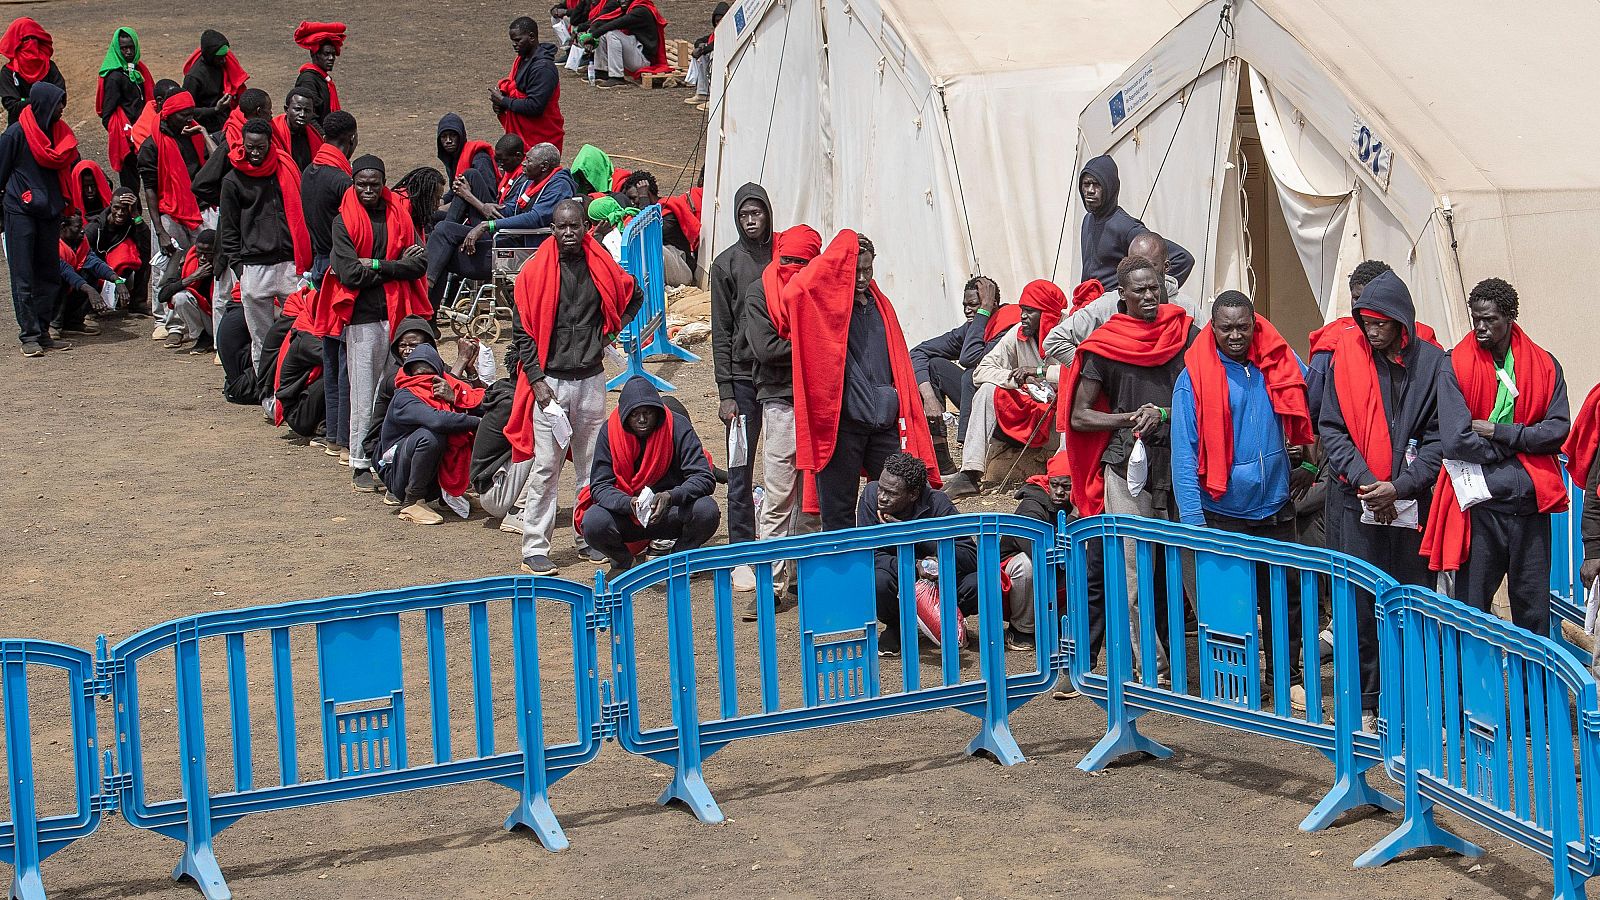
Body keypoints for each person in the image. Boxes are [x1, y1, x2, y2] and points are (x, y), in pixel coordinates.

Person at [1170, 291, 1317, 709]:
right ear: (1212, 327)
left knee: (1285, 599)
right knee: (1229, 601)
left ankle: (1286, 679)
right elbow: (1185, 453)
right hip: (1222, 508)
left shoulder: (1276, 363)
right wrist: (1194, 521)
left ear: (1255, 324)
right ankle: (1234, 683)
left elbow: (1309, 400)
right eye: (1226, 327)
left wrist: (1310, 465)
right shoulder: (1193, 379)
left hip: (1275, 502)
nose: (1235, 335)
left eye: (1243, 326)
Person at [1317, 270, 1446, 726]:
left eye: (1380, 323)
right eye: (1365, 322)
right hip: (1359, 503)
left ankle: (1414, 705)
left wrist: (1402, 486)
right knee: (1359, 607)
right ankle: (1367, 705)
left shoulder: (1432, 364)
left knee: (1412, 605)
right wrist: (1369, 482)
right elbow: (1332, 430)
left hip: (1412, 506)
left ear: (1401, 322)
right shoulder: (1343, 361)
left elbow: (1438, 438)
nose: (1371, 331)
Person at [1060, 254, 1197, 672]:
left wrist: (1166, 414)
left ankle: (1210, 662)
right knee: (1135, 573)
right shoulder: (1106, 343)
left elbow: (1207, 389)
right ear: (1123, 294)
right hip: (1126, 467)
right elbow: (1079, 416)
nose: (1151, 295)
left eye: (1155, 287)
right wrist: (1132, 415)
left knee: (1190, 567)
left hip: (1182, 464)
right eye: (1141, 290)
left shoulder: (1184, 332)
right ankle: (1148, 665)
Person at [1424, 277, 1570, 636]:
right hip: (1482, 505)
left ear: (1510, 317)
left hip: (1531, 505)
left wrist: (1499, 432)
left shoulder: (1546, 365)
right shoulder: (1454, 364)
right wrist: (1524, 441)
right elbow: (1457, 440)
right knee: (1472, 606)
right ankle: (1469, 690)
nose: (1480, 328)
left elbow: (1558, 430)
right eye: (1475, 319)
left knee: (1533, 608)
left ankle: (1530, 690)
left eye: (1489, 320)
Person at [506, 198, 644, 575]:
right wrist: (536, 381)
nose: (568, 232)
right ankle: (535, 546)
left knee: (591, 466)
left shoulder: (601, 265)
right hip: (550, 383)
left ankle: (588, 537)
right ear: (552, 228)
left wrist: (610, 331)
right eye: (561, 226)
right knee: (547, 467)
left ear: (586, 227)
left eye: (575, 226)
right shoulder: (533, 272)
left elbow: (634, 294)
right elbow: (523, 334)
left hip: (591, 380)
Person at [783, 230, 942, 530]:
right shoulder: (824, 304)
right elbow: (793, 292)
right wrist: (833, 259)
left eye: (867, 269)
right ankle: (849, 572)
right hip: (842, 425)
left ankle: (892, 567)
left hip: (884, 422)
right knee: (839, 511)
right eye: (854, 270)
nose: (862, 277)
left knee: (902, 499)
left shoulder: (880, 304)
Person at [310, 154, 432, 491]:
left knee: (395, 389)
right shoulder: (343, 222)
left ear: (382, 183)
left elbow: (419, 266)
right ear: (353, 183)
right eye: (361, 184)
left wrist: (375, 264)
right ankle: (360, 462)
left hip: (398, 315)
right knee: (364, 392)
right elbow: (349, 274)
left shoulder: (399, 215)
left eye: (373, 184)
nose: (367, 189)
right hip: (362, 319)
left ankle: (388, 456)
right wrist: (395, 265)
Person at [742, 224, 822, 615]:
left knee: (812, 500)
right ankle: (771, 585)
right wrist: (814, 345)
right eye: (787, 260)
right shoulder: (760, 292)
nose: (792, 268)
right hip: (780, 402)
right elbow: (766, 348)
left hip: (818, 404)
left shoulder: (819, 290)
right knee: (777, 499)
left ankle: (805, 581)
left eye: (802, 263)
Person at [579, 377, 720, 574]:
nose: (642, 420)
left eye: (648, 413)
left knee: (707, 510)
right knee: (593, 521)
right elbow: (600, 486)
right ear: (624, 415)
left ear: (658, 412)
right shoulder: (609, 432)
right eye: (635, 414)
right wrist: (628, 503)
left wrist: (671, 496)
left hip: (672, 511)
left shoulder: (677, 427)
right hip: (629, 513)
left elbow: (704, 477)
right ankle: (622, 561)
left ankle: (680, 556)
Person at [945, 279, 1068, 498]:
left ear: (1046, 314)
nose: (1022, 316)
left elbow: (1080, 374)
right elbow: (980, 371)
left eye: (1030, 311)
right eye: (1022, 310)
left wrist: (1038, 373)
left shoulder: (1070, 331)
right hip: (1029, 412)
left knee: (1072, 400)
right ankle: (970, 473)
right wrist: (1018, 380)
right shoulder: (1018, 333)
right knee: (987, 389)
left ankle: (1062, 473)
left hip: (1059, 422)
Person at [708, 182, 773, 581]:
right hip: (743, 380)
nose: (751, 221)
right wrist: (725, 392)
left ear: (768, 213)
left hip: (780, 379)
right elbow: (721, 330)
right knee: (740, 467)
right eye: (744, 214)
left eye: (757, 213)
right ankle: (742, 552)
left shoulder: (782, 256)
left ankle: (784, 542)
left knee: (787, 462)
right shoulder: (725, 265)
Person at [429, 142, 575, 308]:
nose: (524, 164)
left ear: (544, 166)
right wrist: (486, 208)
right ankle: (427, 293)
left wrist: (488, 225)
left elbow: (535, 218)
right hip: (507, 235)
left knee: (442, 252)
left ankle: (426, 299)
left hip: (522, 248)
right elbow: (514, 207)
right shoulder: (532, 180)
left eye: (529, 160)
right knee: (443, 230)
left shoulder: (559, 185)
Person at [862, 452, 977, 657]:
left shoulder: (938, 503)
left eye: (891, 493)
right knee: (877, 579)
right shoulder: (871, 497)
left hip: (940, 580)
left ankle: (949, 619)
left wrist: (915, 534)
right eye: (881, 488)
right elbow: (869, 554)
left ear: (913, 494)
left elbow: (970, 555)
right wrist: (913, 565)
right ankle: (897, 625)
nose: (882, 497)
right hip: (898, 575)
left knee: (978, 582)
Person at [218, 118, 311, 364]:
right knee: (260, 339)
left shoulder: (285, 167)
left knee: (300, 330)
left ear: (270, 143)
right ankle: (267, 397)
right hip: (254, 267)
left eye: (260, 147)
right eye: (250, 147)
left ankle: (291, 392)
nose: (255, 153)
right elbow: (228, 229)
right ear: (243, 144)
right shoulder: (233, 180)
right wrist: (240, 269)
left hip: (291, 264)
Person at [1042, 231, 1202, 367]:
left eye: (1149, 266)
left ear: (1166, 267)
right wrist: (1093, 372)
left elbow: (1204, 355)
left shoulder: (1186, 307)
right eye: (1133, 265)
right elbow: (1055, 340)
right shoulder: (1108, 304)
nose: (1141, 273)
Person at [0, 82, 76, 357]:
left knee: (50, 273)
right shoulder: (15, 135)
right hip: (20, 212)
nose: (62, 110)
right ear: (44, 104)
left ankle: (43, 330)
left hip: (50, 212)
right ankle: (29, 335)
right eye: (58, 104)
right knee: (24, 275)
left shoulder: (59, 135)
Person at [377, 343, 484, 525]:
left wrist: (456, 395)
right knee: (431, 436)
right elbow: (438, 420)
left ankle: (447, 496)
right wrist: (480, 424)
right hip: (397, 470)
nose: (423, 379)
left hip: (426, 468)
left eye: (428, 374)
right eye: (418, 373)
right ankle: (412, 501)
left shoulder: (447, 388)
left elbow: (479, 400)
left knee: (460, 433)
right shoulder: (404, 396)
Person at [302, 110, 357, 453]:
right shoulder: (341, 180)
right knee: (346, 362)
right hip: (340, 274)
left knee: (333, 356)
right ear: (351, 138)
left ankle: (335, 436)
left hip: (321, 269)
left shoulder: (309, 171)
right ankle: (342, 437)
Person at [912, 276, 1008, 472]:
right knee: (934, 365)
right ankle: (941, 457)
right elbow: (918, 352)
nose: (966, 310)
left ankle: (969, 460)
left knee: (970, 375)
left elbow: (970, 358)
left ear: (991, 305)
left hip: (1005, 408)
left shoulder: (1006, 327)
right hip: (978, 404)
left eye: (973, 304)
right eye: (965, 304)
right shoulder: (971, 328)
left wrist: (983, 312)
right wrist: (929, 397)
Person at [137, 89, 212, 320]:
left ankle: (195, 315)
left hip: (197, 210)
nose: (189, 119)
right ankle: (166, 322)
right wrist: (159, 230)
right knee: (167, 268)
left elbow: (214, 163)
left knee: (202, 262)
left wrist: (203, 132)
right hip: (169, 213)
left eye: (191, 113)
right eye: (183, 115)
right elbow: (149, 189)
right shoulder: (152, 146)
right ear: (169, 115)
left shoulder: (194, 135)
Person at [996, 453, 1077, 652]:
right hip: (1013, 572)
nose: (1059, 492)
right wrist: (1075, 517)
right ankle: (1021, 629)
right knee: (1027, 565)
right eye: (1054, 485)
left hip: (1055, 568)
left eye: (1066, 487)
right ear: (1047, 483)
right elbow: (1037, 548)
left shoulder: (1081, 503)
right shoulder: (1031, 505)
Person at [1076, 155, 1194, 290]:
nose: (1090, 191)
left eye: (1097, 184)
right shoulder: (1088, 220)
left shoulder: (1125, 226)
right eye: (1086, 184)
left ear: (1109, 187)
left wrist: (1154, 293)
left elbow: (1182, 259)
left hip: (1114, 305)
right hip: (1089, 304)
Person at [494, 17, 564, 154]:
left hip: (541, 138)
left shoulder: (544, 68)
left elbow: (535, 106)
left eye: (518, 40)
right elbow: (513, 88)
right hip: (524, 136)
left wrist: (504, 101)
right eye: (513, 41)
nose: (514, 45)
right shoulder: (522, 59)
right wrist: (501, 103)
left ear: (531, 37)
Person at [52, 209, 123, 340]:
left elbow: (94, 262)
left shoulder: (80, 240)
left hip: (70, 288)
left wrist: (116, 280)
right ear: (63, 227)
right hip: (49, 295)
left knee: (91, 273)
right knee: (61, 281)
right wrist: (90, 290)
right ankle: (52, 324)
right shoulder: (52, 244)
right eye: (77, 227)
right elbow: (66, 272)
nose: (83, 230)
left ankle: (73, 323)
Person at [96, 27, 153, 190]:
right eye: (123, 48)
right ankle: (134, 215)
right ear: (117, 49)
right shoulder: (114, 77)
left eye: (131, 47)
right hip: (127, 140)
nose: (128, 52)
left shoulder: (139, 69)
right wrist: (122, 131)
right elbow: (107, 115)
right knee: (131, 185)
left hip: (144, 133)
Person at [619, 170, 696, 283]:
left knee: (650, 247)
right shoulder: (639, 211)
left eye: (634, 198)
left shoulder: (668, 212)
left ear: (647, 194)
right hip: (666, 269)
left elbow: (647, 234)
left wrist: (644, 199)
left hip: (681, 267)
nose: (631, 203)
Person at [85, 187, 151, 316]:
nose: (120, 213)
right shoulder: (94, 228)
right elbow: (84, 258)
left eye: (125, 209)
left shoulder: (131, 224)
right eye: (116, 208)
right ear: (110, 206)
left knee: (142, 255)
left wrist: (136, 216)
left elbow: (147, 247)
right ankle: (87, 308)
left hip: (118, 274)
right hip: (96, 271)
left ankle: (137, 303)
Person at [582, 0, 669, 90]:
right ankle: (601, 72)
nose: (623, 0)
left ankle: (617, 77)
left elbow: (615, 23)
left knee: (611, 34)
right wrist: (592, 33)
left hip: (643, 60)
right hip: (635, 54)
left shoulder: (641, 11)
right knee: (602, 33)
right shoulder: (628, 9)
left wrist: (592, 35)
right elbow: (602, 20)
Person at [158, 228, 217, 352]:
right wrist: (193, 277)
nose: (202, 258)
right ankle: (203, 337)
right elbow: (162, 295)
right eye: (199, 252)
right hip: (206, 319)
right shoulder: (190, 264)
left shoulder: (226, 268)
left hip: (222, 319)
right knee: (180, 297)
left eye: (208, 254)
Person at [0, 18, 64, 128]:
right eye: (26, 39)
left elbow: (61, 98)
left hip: (49, 127)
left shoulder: (49, 67)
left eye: (34, 38)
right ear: (17, 43)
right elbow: (12, 105)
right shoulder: (8, 72)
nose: (31, 43)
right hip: (19, 128)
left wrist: (25, 100)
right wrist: (45, 100)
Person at [182, 30, 249, 132]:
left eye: (224, 57)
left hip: (224, 119)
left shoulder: (221, 64)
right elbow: (185, 110)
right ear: (209, 56)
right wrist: (215, 109)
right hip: (207, 127)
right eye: (219, 58)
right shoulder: (194, 77)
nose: (224, 61)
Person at [436, 113, 495, 209]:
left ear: (461, 136)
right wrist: (443, 200)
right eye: (443, 136)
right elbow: (455, 189)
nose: (448, 140)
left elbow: (487, 196)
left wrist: (447, 208)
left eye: (453, 135)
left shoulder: (480, 158)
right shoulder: (452, 158)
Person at [292, 21, 344, 122]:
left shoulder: (322, 78)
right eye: (326, 54)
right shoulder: (308, 80)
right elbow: (309, 115)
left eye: (333, 54)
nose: (331, 58)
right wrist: (322, 136)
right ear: (314, 54)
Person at [684, 3, 729, 106]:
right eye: (717, 21)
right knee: (701, 54)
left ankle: (715, 98)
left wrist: (704, 49)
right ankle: (703, 93)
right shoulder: (715, 33)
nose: (719, 24)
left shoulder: (729, 32)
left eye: (721, 20)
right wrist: (700, 47)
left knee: (713, 54)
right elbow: (701, 40)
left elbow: (716, 44)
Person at [273, 90, 324, 171]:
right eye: (297, 109)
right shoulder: (273, 134)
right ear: (286, 109)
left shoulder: (315, 138)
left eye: (307, 111)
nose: (302, 115)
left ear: (313, 113)